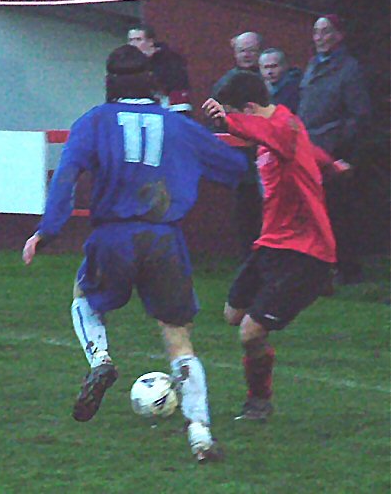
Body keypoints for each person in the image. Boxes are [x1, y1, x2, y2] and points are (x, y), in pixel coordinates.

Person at [22, 44, 248, 462]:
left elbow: (67, 178)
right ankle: (200, 434)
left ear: (109, 84)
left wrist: (46, 232)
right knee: (178, 336)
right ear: (151, 83)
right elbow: (233, 167)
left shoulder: (93, 122)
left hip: (114, 235)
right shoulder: (174, 125)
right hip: (164, 238)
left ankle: (101, 358)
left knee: (85, 297)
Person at [202, 71, 350, 421]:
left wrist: (229, 121)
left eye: (237, 113)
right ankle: (275, 317)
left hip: (304, 252)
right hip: (272, 244)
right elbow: (307, 149)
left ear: (250, 107)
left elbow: (274, 134)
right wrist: (331, 164)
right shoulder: (283, 133)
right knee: (232, 314)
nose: (233, 124)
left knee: (250, 331)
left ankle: (259, 402)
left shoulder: (283, 126)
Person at [298, 14, 371, 284]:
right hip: (309, 152)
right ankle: (319, 267)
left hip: (333, 153)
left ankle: (347, 269)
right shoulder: (312, 67)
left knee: (338, 213)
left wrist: (343, 152)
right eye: (316, 32)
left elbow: (358, 115)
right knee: (313, 213)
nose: (319, 37)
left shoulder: (349, 69)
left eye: (326, 32)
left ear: (339, 35)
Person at [210, 32, 264, 257]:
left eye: (252, 50)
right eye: (243, 50)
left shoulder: (269, 78)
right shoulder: (226, 83)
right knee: (246, 214)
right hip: (243, 161)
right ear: (234, 53)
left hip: (269, 155)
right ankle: (248, 259)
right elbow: (215, 120)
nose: (247, 55)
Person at [127, 23, 193, 115]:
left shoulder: (170, 61)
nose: (133, 44)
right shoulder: (127, 64)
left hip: (168, 111)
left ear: (150, 42)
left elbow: (176, 89)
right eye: (130, 40)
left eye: (138, 39)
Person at [259, 47, 302, 113]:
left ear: (285, 66)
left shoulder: (298, 88)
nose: (270, 71)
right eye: (266, 67)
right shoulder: (258, 89)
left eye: (274, 66)